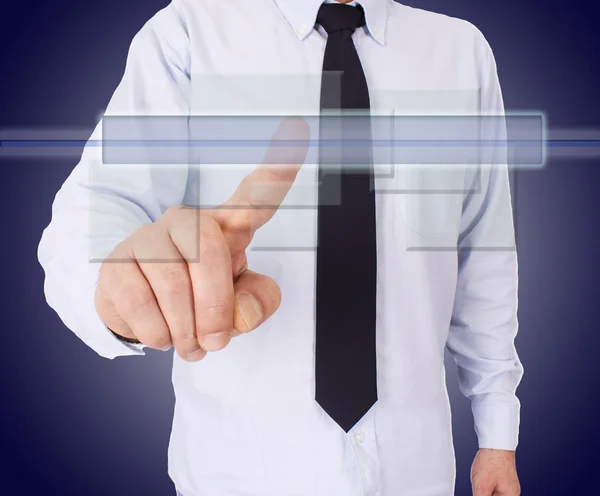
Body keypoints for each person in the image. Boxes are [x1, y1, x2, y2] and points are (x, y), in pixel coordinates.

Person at [38, 0, 523, 495]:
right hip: (238, 473)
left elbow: (483, 254)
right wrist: (117, 291)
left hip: (414, 470)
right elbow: (98, 208)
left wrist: (498, 434)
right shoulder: (188, 32)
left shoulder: (462, 52)